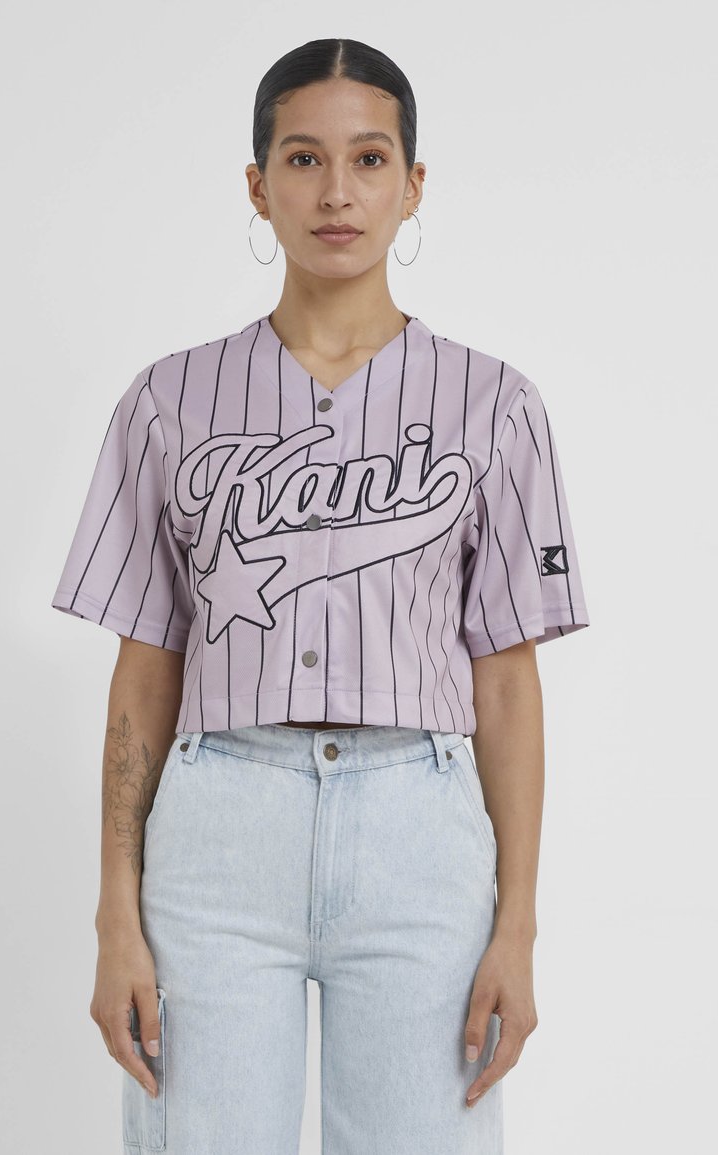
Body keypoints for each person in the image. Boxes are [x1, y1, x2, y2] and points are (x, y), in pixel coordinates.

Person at [51, 37, 590, 1155]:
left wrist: (518, 927)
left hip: (417, 833)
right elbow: (144, 670)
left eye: (368, 158)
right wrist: (115, 913)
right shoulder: (170, 402)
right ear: (258, 186)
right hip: (218, 829)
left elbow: (504, 682)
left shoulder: (493, 406)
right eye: (302, 158)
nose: (336, 191)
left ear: (412, 184)